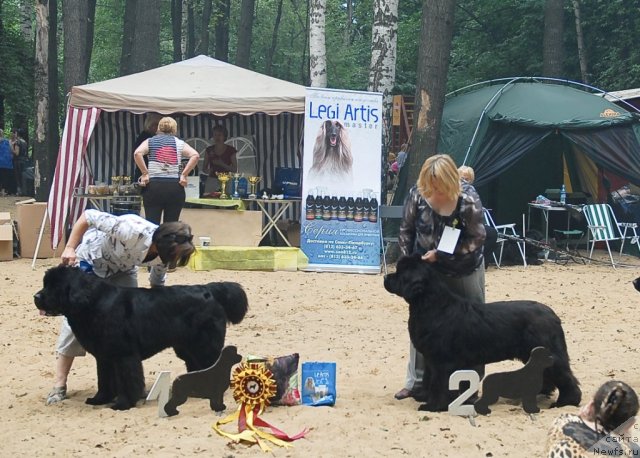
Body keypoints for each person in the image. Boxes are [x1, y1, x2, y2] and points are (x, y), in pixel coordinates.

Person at [45, 209, 196, 405]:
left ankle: (129, 385)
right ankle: (59, 384)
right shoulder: (131, 230)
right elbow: (88, 216)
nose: (174, 260)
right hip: (91, 262)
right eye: (174, 256)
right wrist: (70, 247)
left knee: (130, 325)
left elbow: (157, 282)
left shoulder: (166, 252)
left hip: (123, 270)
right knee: (75, 322)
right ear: (161, 245)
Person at [394, 154, 486, 401]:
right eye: (429, 185)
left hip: (464, 268)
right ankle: (417, 382)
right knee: (422, 324)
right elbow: (406, 230)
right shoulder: (417, 194)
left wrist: (444, 254)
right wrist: (409, 266)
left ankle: (469, 385)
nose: (433, 191)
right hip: (427, 271)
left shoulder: (468, 198)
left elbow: (477, 238)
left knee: (472, 325)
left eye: (438, 186)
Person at [545, 380, 639, 457]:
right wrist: (626, 441)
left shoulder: (562, 421)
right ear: (629, 425)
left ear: (590, 405)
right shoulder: (626, 453)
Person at [134, 116, 200, 224]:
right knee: (171, 225)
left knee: (151, 224)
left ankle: (153, 241)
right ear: (174, 129)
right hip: (174, 186)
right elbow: (195, 155)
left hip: (154, 186)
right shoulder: (179, 143)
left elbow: (137, 153)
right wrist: (184, 175)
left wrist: (145, 173)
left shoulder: (150, 141)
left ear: (158, 128)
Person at [202, 125, 238, 194]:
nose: (217, 137)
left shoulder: (231, 150)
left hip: (226, 180)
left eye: (219, 135)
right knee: (208, 201)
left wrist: (222, 164)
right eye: (215, 135)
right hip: (212, 179)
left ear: (224, 136)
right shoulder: (209, 150)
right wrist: (209, 171)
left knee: (226, 202)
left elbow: (234, 169)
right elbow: (204, 168)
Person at [133, 113, 162, 182]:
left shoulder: (147, 136)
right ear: (151, 125)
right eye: (157, 125)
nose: (159, 128)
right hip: (146, 174)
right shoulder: (146, 138)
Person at [11, 128, 29, 195]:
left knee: (18, 176)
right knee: (22, 176)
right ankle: (24, 190)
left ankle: (19, 191)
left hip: (18, 161)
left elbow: (16, 153)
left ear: (17, 134)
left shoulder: (17, 142)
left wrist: (11, 147)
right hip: (23, 161)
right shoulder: (24, 142)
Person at [0, 128, 17, 196]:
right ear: (2, 134)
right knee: (5, 177)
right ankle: (3, 191)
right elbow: (11, 150)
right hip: (6, 162)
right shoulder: (8, 141)